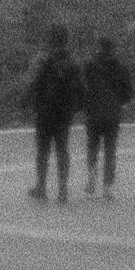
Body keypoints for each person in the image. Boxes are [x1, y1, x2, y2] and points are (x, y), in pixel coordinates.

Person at [26, 22, 85, 203]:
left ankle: (42, 187)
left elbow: (33, 83)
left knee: (42, 150)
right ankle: (62, 189)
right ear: (66, 40)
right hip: (64, 112)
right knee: (62, 149)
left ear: (49, 39)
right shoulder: (73, 61)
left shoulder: (41, 60)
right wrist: (77, 107)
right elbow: (81, 88)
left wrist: (26, 102)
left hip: (44, 110)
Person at [81, 35, 135, 196]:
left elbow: (82, 86)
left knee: (93, 146)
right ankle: (108, 185)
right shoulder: (120, 67)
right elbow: (128, 92)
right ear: (113, 49)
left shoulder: (89, 66)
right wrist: (119, 101)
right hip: (112, 114)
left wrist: (84, 104)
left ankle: (91, 176)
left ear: (99, 47)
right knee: (110, 149)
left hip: (93, 113)